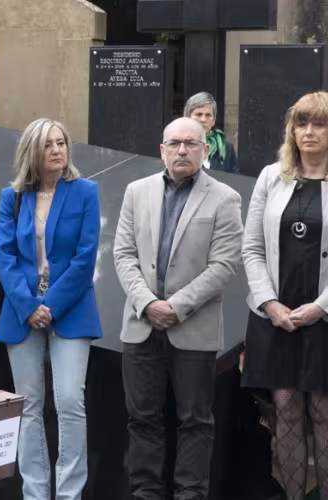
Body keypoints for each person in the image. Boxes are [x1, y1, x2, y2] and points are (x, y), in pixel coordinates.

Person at [241, 92, 328, 500]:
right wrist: (269, 303)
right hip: (276, 315)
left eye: (317, 124)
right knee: (284, 407)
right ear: (292, 131)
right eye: (301, 124)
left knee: (324, 411)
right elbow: (251, 248)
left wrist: (323, 306)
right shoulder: (272, 176)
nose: (308, 132)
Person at [114, 117, 244, 500]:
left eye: (191, 143)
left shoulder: (224, 197)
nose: (182, 150)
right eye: (174, 143)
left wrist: (175, 306)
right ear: (162, 150)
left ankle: (190, 494)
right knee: (142, 419)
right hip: (141, 324)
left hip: (193, 327)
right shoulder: (136, 191)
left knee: (195, 421)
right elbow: (123, 255)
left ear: (205, 150)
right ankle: (145, 493)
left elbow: (224, 265)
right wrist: (148, 303)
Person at [0, 118, 101, 500]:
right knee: (28, 406)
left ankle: (69, 494)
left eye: (61, 143)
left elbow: (85, 259)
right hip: (21, 310)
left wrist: (50, 306)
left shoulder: (85, 192)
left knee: (70, 401)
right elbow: (3, 255)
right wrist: (28, 305)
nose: (57, 150)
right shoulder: (13, 197)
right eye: (48, 145)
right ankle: (35, 493)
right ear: (32, 153)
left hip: (69, 309)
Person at [184, 92, 238, 174]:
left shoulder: (226, 149)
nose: (203, 120)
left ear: (213, 121)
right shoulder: (177, 145)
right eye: (199, 114)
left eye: (208, 115)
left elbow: (235, 181)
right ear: (187, 117)